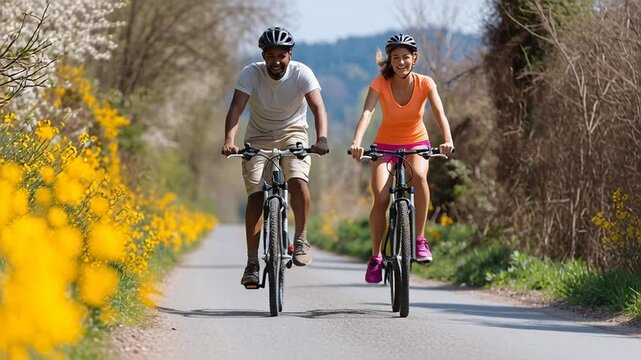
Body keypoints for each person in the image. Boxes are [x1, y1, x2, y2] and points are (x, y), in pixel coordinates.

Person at [222, 27, 329, 288]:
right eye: (271, 55)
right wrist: (229, 141)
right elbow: (236, 108)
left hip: (294, 133)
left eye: (281, 55)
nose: (276, 61)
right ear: (263, 56)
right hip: (258, 136)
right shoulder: (251, 73)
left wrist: (322, 138)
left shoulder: (302, 73)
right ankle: (251, 262)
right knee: (256, 194)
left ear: (290, 55)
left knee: (297, 180)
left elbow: (318, 107)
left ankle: (301, 238)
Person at [349, 34, 454, 284]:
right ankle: (375, 257)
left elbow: (439, 112)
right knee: (382, 196)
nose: (401, 62)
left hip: (417, 142)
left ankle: (419, 239)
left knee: (419, 176)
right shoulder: (380, 83)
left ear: (414, 58)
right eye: (395, 58)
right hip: (385, 145)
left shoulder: (425, 83)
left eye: (406, 57)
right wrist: (356, 142)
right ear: (390, 60)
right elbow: (367, 112)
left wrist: (447, 139)